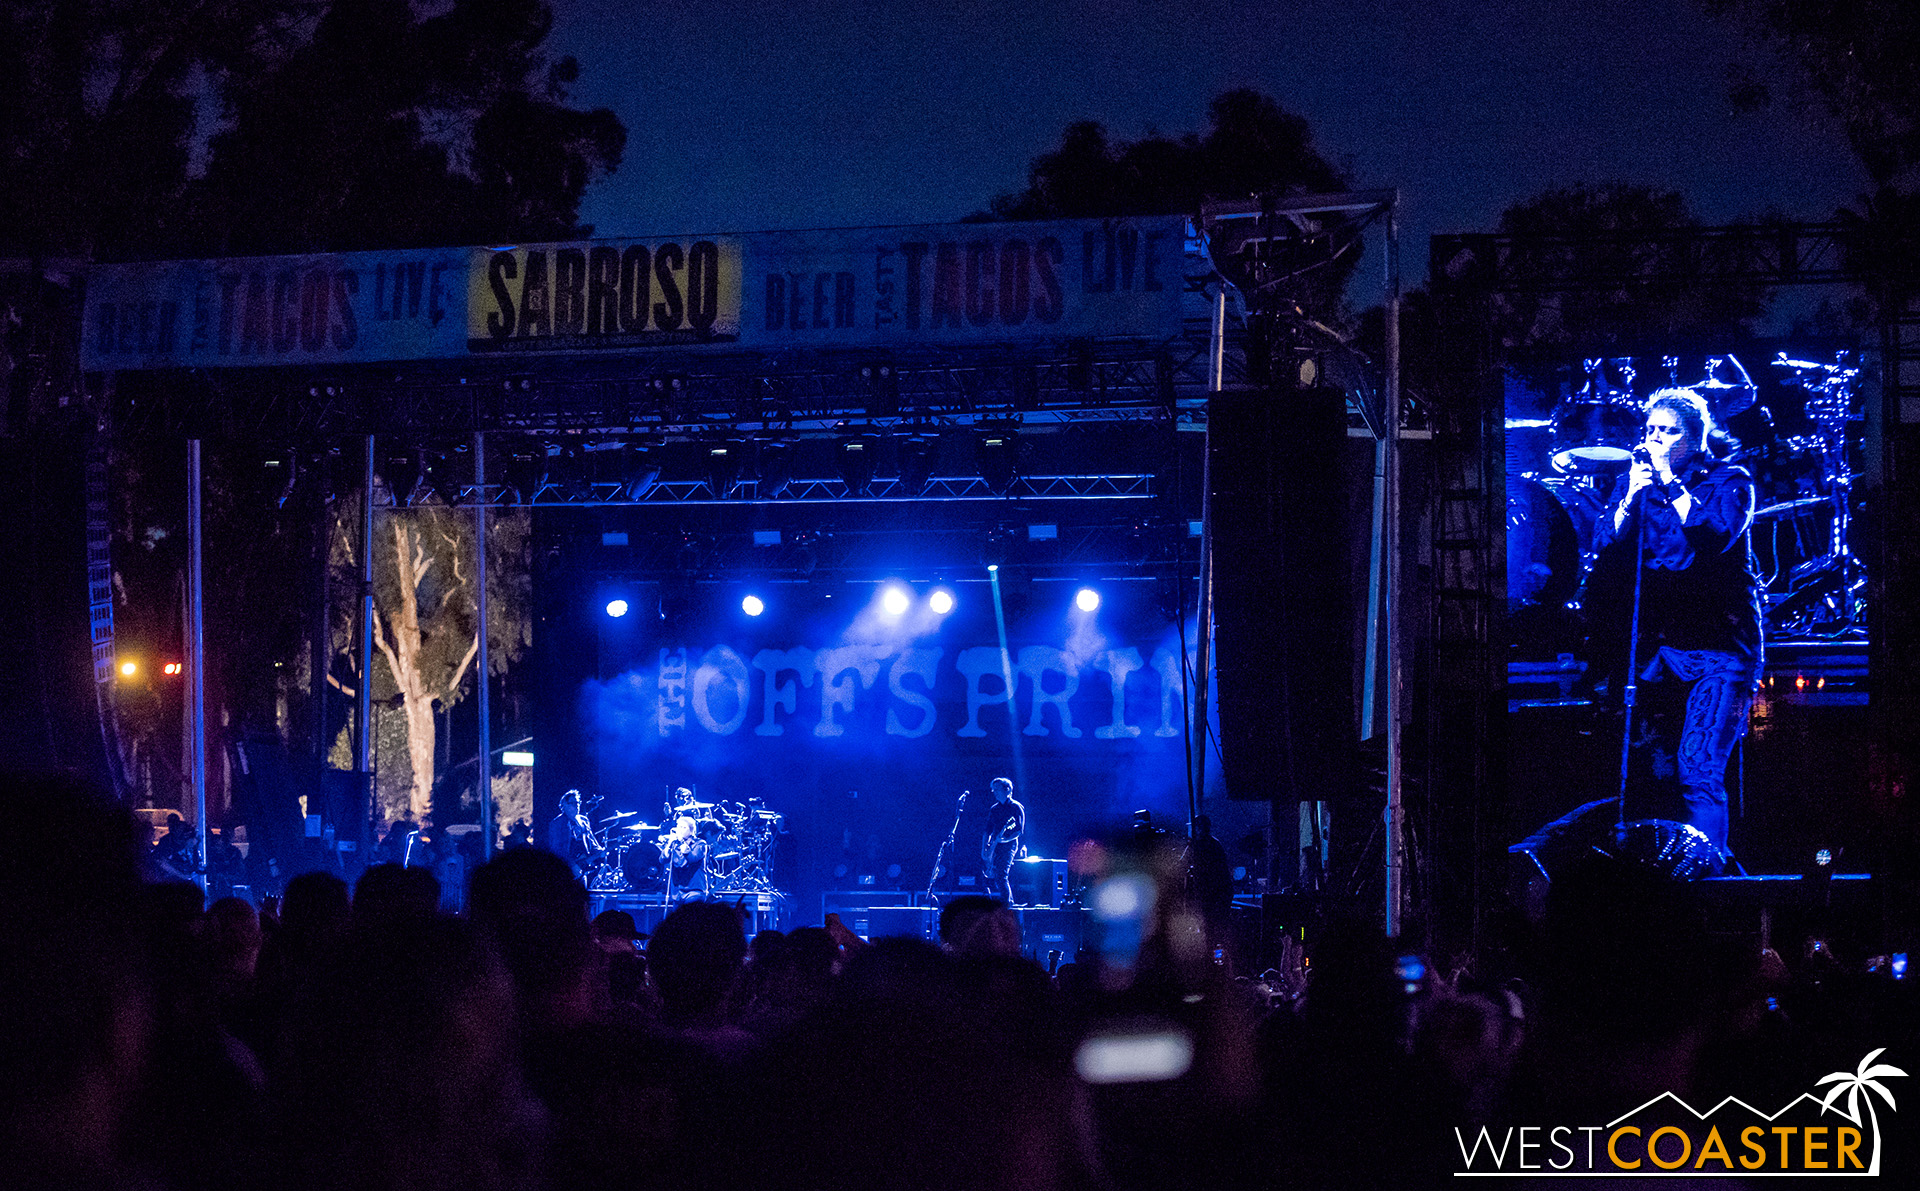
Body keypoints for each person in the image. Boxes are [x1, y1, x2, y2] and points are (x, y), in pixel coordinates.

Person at [1586, 388, 1762, 859]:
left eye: (1669, 431)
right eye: (1651, 430)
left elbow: (1714, 536)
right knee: (1653, 769)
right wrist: (1630, 496)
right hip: (1663, 651)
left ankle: (1710, 875)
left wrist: (1670, 481)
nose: (1656, 439)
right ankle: (1661, 872)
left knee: (1699, 769)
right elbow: (1604, 546)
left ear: (1695, 437)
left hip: (1720, 650)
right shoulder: (1640, 485)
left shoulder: (1730, 480)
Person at [977, 777, 1025, 900]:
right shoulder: (994, 809)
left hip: (1009, 846)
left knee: (1002, 875)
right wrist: (984, 848)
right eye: (993, 789)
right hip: (994, 845)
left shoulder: (1016, 807)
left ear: (1007, 789)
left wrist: (1004, 840)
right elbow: (987, 830)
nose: (994, 792)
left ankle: (1007, 907)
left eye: (997, 789)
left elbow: (1019, 831)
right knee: (989, 875)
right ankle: (1006, 902)